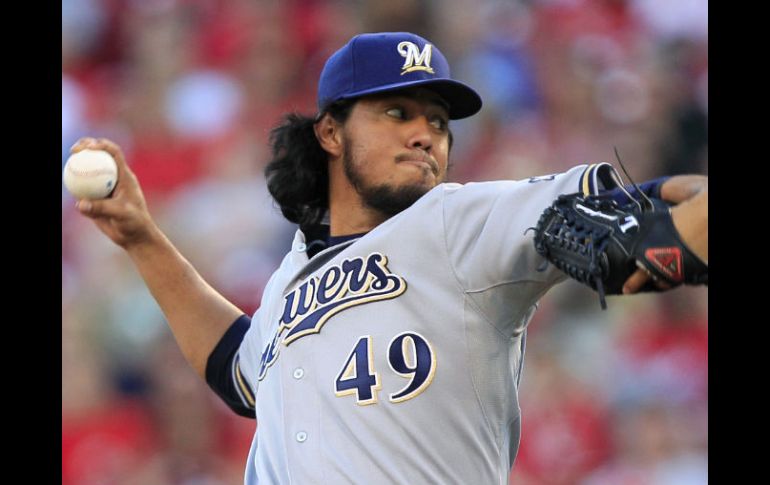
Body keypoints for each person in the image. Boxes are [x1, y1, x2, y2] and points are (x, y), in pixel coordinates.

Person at [71, 32, 707, 484]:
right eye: (397, 111)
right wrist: (141, 238)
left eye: (438, 120)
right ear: (329, 131)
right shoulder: (292, 274)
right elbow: (236, 366)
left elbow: (649, 229)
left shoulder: (459, 222)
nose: (424, 133)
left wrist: (671, 218)